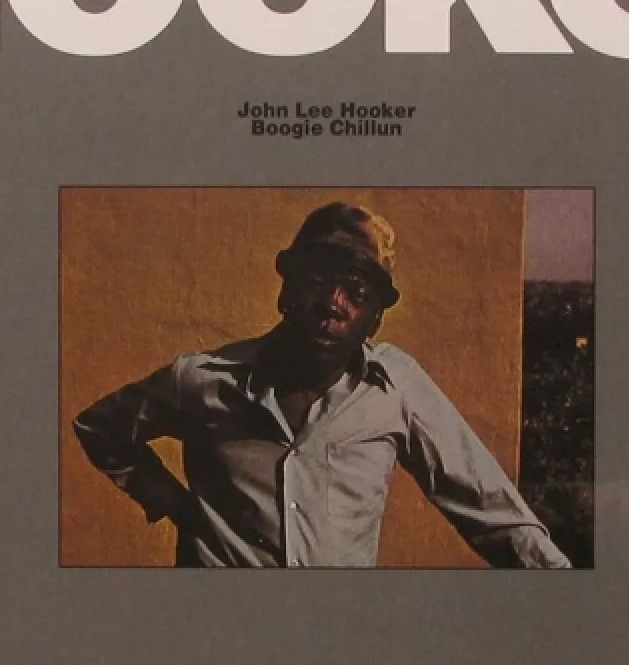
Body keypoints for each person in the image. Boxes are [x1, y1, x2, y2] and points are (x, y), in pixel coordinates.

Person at [73, 202, 571, 569]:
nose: (333, 304)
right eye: (317, 280)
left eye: (357, 293)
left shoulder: (396, 388)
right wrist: (174, 504)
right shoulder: (202, 380)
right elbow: (101, 429)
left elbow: (490, 510)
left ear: (375, 319)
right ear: (285, 288)